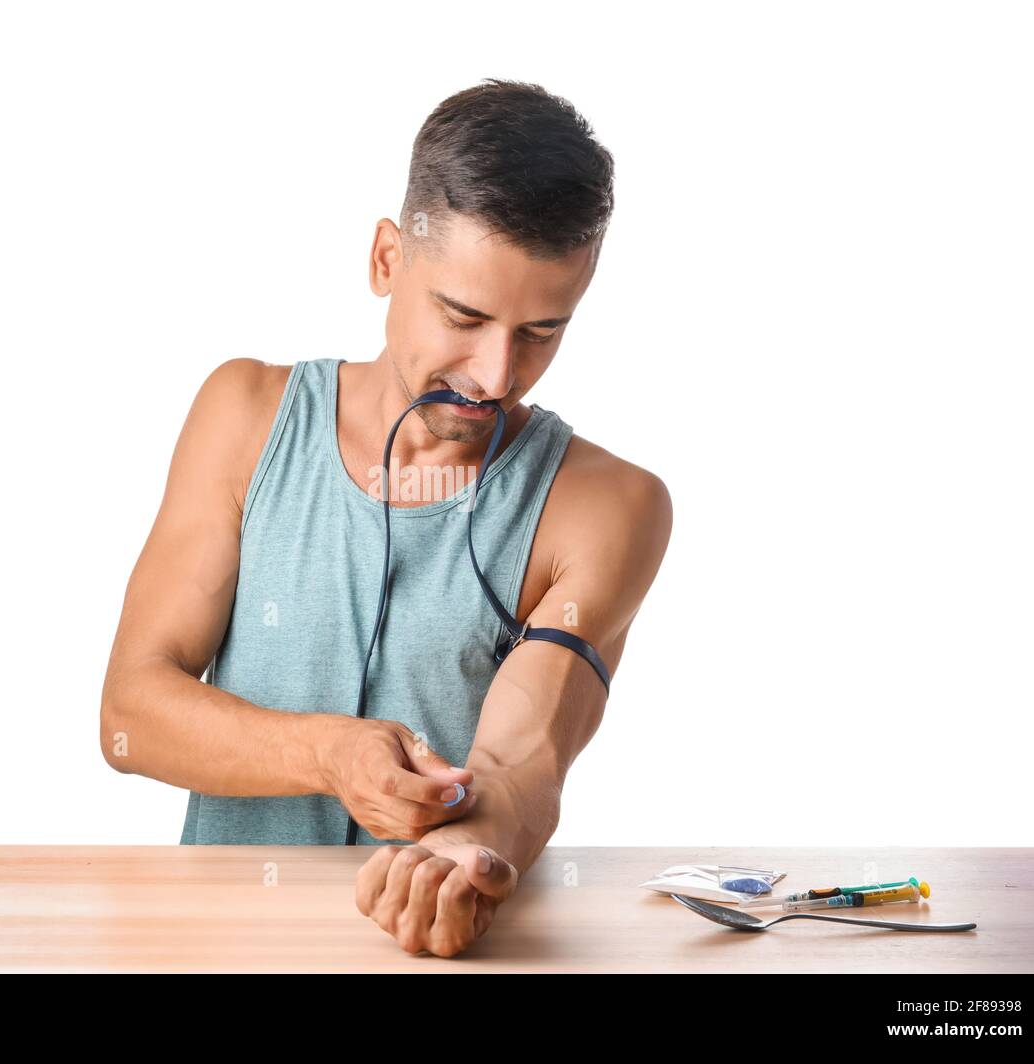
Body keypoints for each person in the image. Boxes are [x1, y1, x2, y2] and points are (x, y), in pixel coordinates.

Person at [99, 78, 673, 957]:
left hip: (434, 955)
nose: (493, 373)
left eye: (541, 332)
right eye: (465, 316)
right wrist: (329, 755)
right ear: (384, 261)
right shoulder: (243, 416)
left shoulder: (608, 507)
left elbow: (528, 758)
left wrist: (464, 850)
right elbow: (131, 715)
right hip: (217, 953)